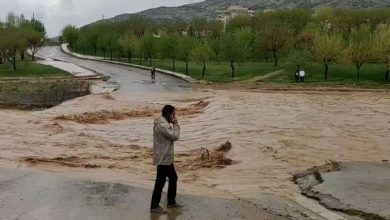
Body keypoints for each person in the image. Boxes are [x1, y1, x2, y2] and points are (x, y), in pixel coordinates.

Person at [150, 105, 182, 214]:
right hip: (164, 158)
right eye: (173, 114)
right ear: (169, 114)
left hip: (165, 157)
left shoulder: (163, 124)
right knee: (162, 181)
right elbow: (174, 136)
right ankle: (156, 206)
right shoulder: (163, 126)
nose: (174, 116)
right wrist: (176, 125)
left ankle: (170, 202)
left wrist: (173, 124)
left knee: (171, 178)